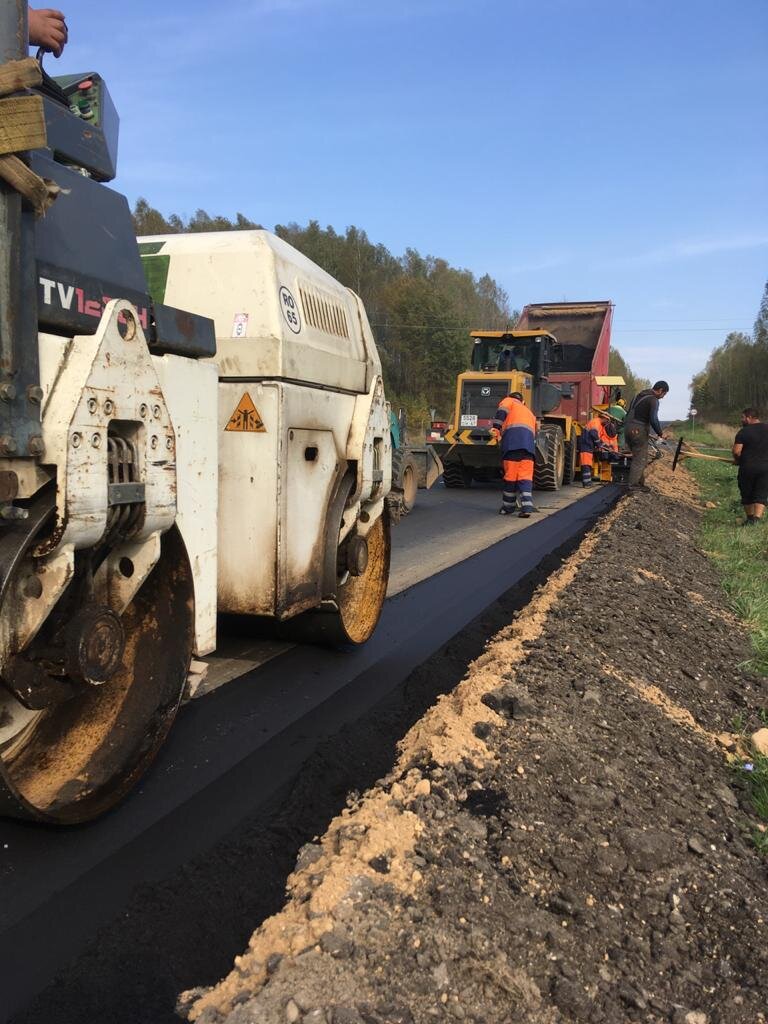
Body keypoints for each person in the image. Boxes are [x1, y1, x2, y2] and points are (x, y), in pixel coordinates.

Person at [492, 390, 536, 518]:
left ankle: (508, 508)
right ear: (523, 401)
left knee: (510, 478)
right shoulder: (530, 413)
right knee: (525, 479)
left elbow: (501, 412)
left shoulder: (509, 401)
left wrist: (496, 428)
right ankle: (527, 508)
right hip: (529, 451)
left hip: (512, 447)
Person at [623, 380, 669, 490]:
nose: (662, 397)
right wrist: (660, 433)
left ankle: (639, 483)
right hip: (639, 429)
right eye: (664, 394)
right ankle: (633, 485)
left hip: (627, 428)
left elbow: (629, 412)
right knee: (640, 458)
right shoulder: (653, 400)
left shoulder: (638, 396)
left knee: (638, 456)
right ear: (660, 390)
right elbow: (653, 419)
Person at [733, 407, 768, 526]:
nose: (741, 420)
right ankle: (757, 520)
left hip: (748, 467)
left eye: (742, 417)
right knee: (762, 493)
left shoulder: (744, 432)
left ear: (749, 418)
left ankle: (750, 519)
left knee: (746, 493)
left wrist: (737, 460)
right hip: (765, 467)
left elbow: (737, 451)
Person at [578, 410, 617, 487]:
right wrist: (599, 444)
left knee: (587, 464)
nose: (607, 423)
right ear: (604, 418)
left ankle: (587, 482)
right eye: (607, 421)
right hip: (586, 444)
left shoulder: (600, 425)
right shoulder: (596, 422)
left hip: (589, 445)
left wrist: (606, 446)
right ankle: (587, 483)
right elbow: (594, 434)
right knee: (586, 464)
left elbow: (599, 438)